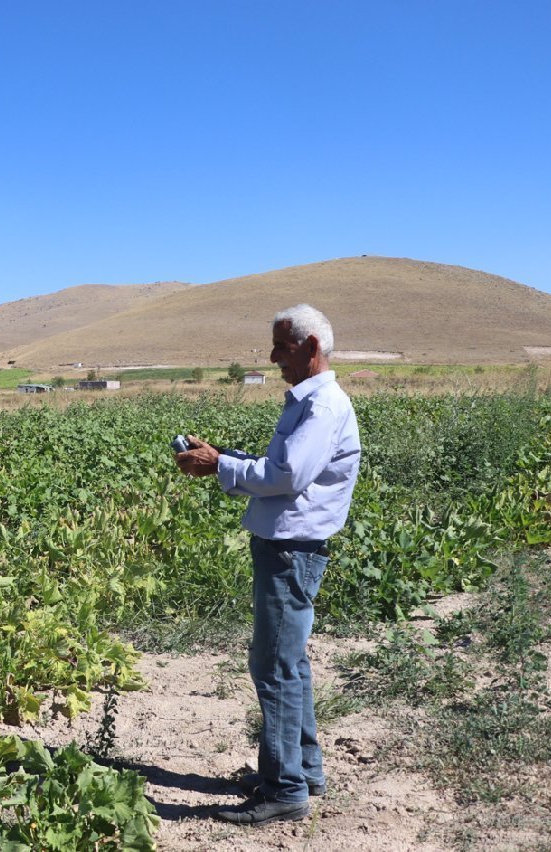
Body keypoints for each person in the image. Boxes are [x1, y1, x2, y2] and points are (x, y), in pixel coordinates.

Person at [175, 304, 360, 826]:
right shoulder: (310, 403)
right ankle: (304, 770)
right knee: (290, 661)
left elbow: (286, 477)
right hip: (289, 548)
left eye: (283, 346)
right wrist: (225, 458)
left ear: (312, 349)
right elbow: (283, 470)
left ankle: (284, 791)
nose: (275, 356)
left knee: (273, 667)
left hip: (290, 552)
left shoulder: (322, 407)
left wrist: (221, 465)